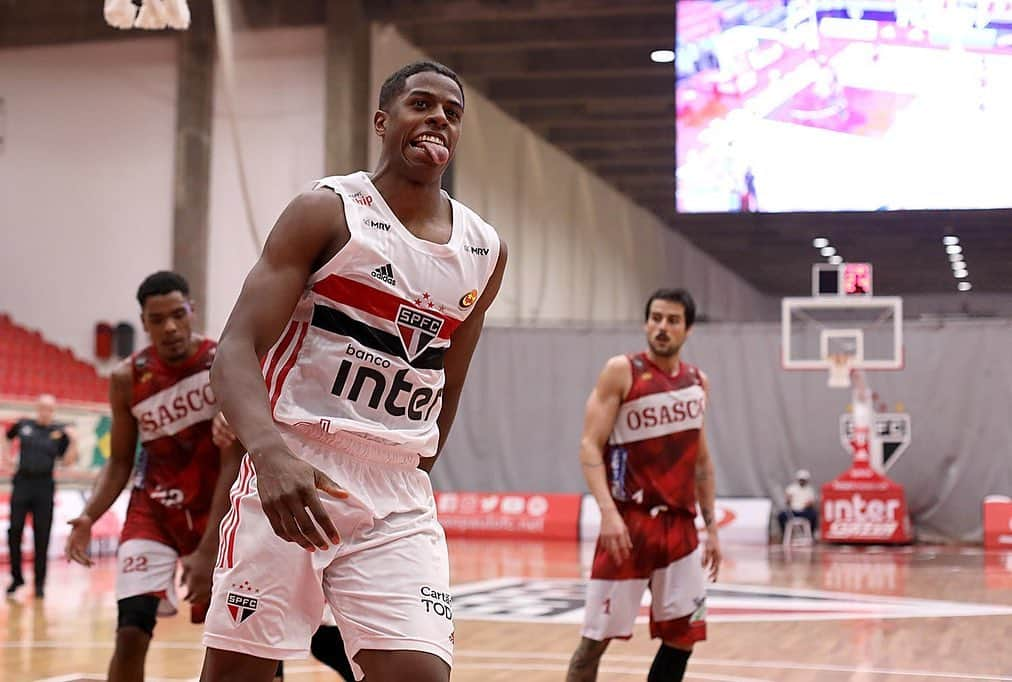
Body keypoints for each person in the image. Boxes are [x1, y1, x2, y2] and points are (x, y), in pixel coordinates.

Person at [199, 60, 506, 682]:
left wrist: (411, 456)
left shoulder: (484, 250)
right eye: (421, 104)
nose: (439, 119)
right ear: (382, 121)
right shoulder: (329, 211)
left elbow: (450, 377)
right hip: (295, 465)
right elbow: (234, 348)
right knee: (238, 676)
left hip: (395, 491)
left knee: (419, 675)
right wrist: (269, 452)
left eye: (452, 111)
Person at [64, 271, 242, 682]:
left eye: (178, 315)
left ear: (192, 311)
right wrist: (91, 514)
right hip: (155, 511)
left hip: (221, 511)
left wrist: (209, 548)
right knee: (130, 632)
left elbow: (238, 457)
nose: (171, 327)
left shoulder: (224, 361)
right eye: (158, 319)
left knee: (243, 641)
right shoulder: (127, 378)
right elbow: (121, 461)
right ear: (143, 323)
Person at [567, 289, 721, 682]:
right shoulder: (622, 370)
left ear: (688, 329)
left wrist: (713, 528)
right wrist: (607, 513)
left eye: (672, 320)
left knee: (683, 635)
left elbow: (701, 461)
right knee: (594, 642)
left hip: (680, 526)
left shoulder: (697, 381)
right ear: (645, 322)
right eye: (655, 318)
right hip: (629, 525)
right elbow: (589, 444)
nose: (661, 327)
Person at [4, 394, 76, 597]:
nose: (46, 412)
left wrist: (74, 441)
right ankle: (16, 578)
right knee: (15, 530)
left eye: (50, 409)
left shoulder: (59, 432)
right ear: (37, 408)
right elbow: (6, 436)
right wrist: (6, 458)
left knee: (42, 535)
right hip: (22, 483)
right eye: (42, 408)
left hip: (44, 486)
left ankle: (39, 583)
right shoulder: (24, 425)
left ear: (54, 411)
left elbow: (68, 461)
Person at [777, 469, 817, 536]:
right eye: (801, 479)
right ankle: (784, 534)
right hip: (793, 511)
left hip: (804, 511)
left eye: (803, 480)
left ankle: (811, 535)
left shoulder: (810, 490)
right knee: (781, 515)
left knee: (814, 515)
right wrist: (788, 500)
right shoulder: (791, 488)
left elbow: (811, 502)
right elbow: (787, 500)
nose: (802, 481)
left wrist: (807, 505)